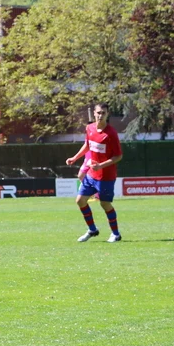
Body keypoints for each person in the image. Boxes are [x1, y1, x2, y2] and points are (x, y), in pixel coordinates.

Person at [66, 103, 123, 242]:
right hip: (91, 174)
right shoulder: (90, 128)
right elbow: (87, 145)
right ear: (94, 113)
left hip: (106, 177)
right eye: (98, 112)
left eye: (103, 113)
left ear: (107, 114)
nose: (100, 115)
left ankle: (115, 234)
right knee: (80, 200)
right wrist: (75, 158)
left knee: (105, 204)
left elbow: (118, 156)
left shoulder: (111, 133)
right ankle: (92, 230)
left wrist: (101, 166)